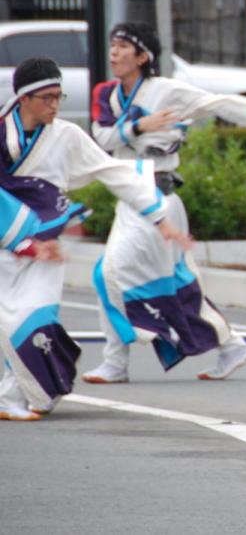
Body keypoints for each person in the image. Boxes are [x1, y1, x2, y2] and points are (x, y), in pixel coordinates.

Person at [81, 22, 246, 385]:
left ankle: (116, 362)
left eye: (123, 46)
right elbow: (103, 137)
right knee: (173, 285)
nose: (114, 52)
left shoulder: (167, 91)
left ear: (143, 56)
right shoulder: (107, 94)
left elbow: (220, 103)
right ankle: (231, 345)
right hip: (131, 200)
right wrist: (141, 128)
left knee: (109, 273)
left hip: (158, 197)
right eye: (112, 45)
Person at [0, 57, 190, 421]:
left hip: (46, 246)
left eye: (59, 96)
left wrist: (158, 216)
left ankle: (14, 396)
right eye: (46, 97)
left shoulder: (66, 134)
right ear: (23, 98)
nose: (55, 105)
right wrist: (20, 238)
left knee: (38, 317)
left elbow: (112, 170)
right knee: (13, 321)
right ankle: (16, 394)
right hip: (7, 241)